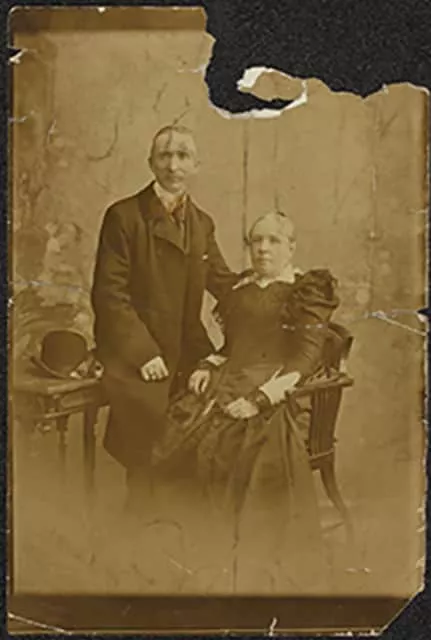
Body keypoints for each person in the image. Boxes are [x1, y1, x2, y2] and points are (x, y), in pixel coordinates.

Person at [151, 211, 340, 593]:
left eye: (273, 240)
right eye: (256, 241)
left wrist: (260, 399)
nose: (263, 249)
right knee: (181, 431)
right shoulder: (242, 290)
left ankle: (240, 555)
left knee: (236, 440)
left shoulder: (306, 292)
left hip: (278, 391)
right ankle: (195, 549)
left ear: (291, 247)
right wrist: (208, 364)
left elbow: (305, 361)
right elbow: (233, 348)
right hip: (231, 379)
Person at [91, 125, 236, 511]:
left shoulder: (201, 223)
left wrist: (277, 287)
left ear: (196, 165)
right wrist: (143, 352)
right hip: (135, 349)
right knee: (147, 438)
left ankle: (184, 519)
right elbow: (109, 296)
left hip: (187, 346)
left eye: (183, 156)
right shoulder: (124, 217)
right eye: (165, 156)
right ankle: (141, 519)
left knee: (211, 411)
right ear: (151, 163)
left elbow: (223, 283)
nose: (173, 166)